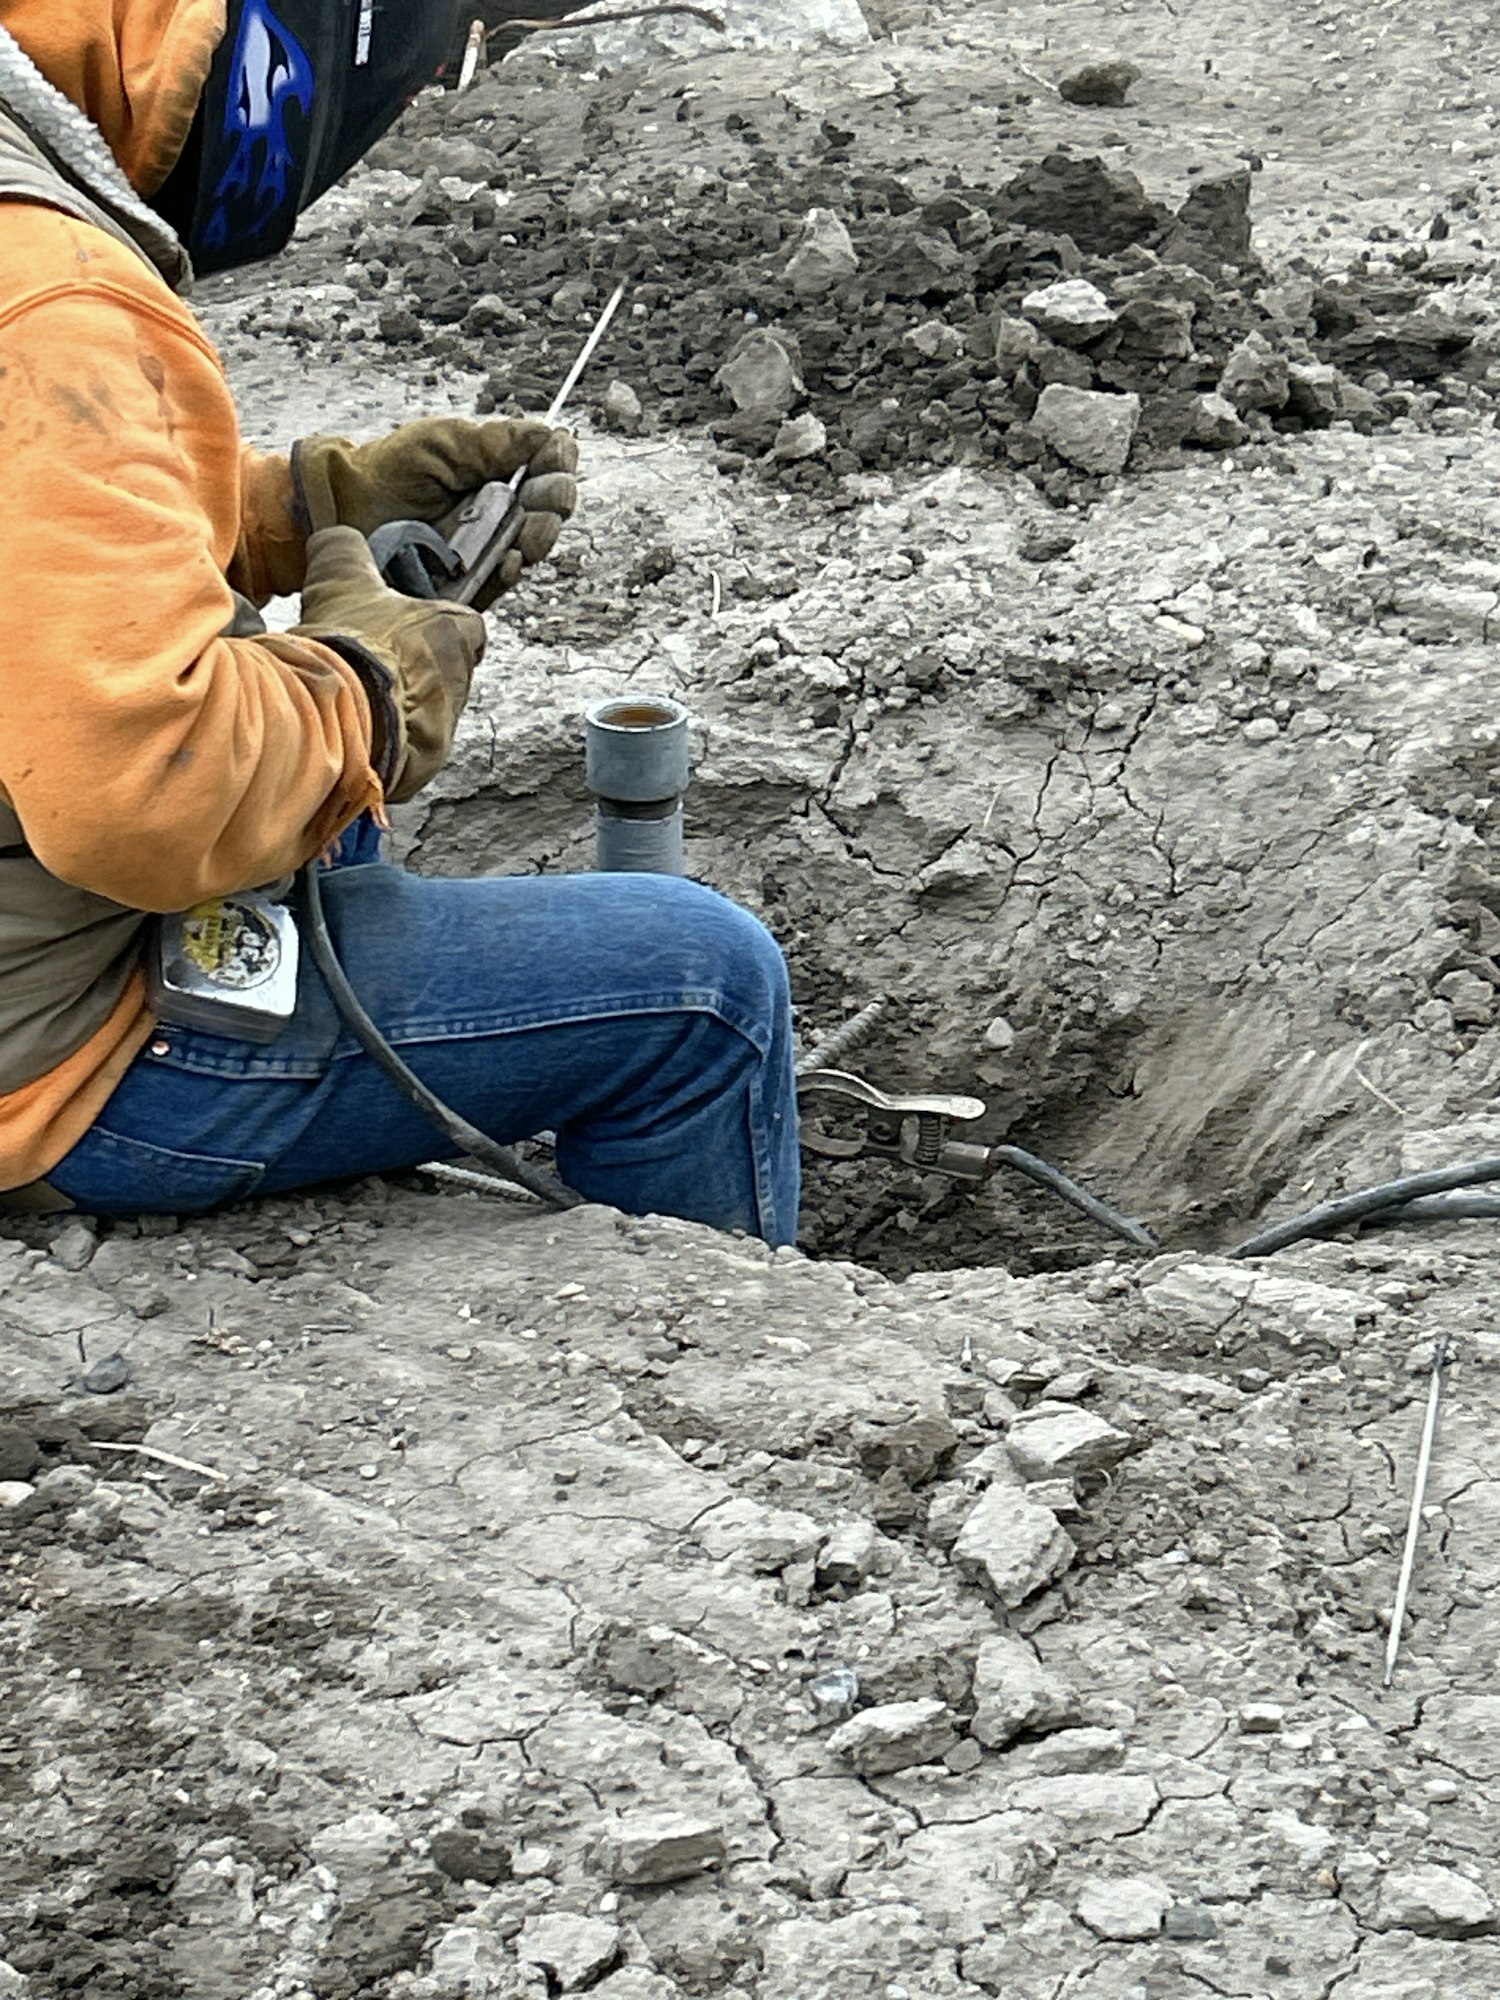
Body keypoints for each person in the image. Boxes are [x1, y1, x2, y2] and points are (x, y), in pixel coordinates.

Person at [0, 0, 800, 1246]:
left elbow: (37, 522)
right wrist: (371, 689)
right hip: (50, 1058)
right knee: (703, 985)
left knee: (329, 837)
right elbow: (141, 791)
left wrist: (297, 509)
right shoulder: (46, 301)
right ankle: (734, 1400)